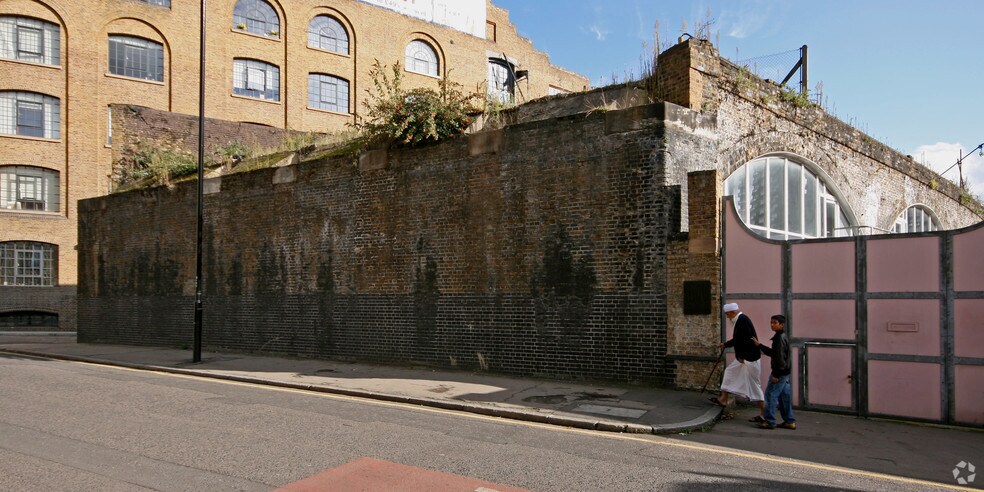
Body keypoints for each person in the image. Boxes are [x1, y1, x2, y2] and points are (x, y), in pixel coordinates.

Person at [709, 303, 765, 418]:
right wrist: (726, 345)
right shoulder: (740, 320)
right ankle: (723, 399)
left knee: (755, 386)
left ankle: (764, 414)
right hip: (744, 358)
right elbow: (739, 339)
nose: (727, 317)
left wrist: (738, 353)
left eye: (727, 314)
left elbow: (742, 340)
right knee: (729, 372)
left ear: (732, 312)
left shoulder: (742, 320)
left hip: (749, 359)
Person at [751, 314, 796, 430]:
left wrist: (776, 374)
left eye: (775, 323)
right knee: (784, 396)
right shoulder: (782, 336)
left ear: (781, 325)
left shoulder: (779, 338)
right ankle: (789, 421)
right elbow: (774, 353)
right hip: (785, 372)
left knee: (770, 395)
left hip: (780, 372)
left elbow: (779, 358)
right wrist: (759, 345)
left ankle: (770, 421)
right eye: (771, 322)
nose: (772, 325)